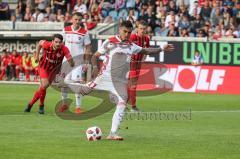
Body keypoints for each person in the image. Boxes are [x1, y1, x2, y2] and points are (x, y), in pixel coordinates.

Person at [69, 21, 174, 140]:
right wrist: (94, 67)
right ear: (119, 30)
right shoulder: (110, 41)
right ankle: (63, 84)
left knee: (123, 102)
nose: (127, 34)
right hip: (104, 78)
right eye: (125, 31)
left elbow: (145, 51)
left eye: (129, 32)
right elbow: (95, 56)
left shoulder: (131, 45)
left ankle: (113, 133)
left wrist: (161, 48)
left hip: (119, 82)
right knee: (83, 90)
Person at [24, 34, 74, 114]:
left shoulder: (64, 49)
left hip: (54, 71)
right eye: (56, 42)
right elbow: (40, 43)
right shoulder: (47, 45)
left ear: (62, 43)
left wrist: (71, 62)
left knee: (43, 87)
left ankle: (31, 104)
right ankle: (40, 105)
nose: (58, 44)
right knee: (45, 84)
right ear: (52, 42)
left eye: (60, 42)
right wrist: (37, 55)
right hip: (43, 67)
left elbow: (71, 62)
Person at [59, 12, 92, 114]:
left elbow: (88, 47)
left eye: (79, 20)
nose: (77, 22)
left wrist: (86, 62)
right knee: (64, 83)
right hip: (66, 61)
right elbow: (59, 44)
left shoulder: (84, 32)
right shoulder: (65, 30)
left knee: (76, 83)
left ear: (81, 21)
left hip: (78, 62)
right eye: (75, 19)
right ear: (72, 19)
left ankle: (78, 107)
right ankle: (64, 104)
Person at [128, 21, 150, 112]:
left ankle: (126, 103)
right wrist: (128, 57)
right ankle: (133, 106)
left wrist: (143, 58)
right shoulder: (133, 37)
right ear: (137, 29)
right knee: (132, 85)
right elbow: (125, 47)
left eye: (144, 29)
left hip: (138, 64)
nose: (142, 30)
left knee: (132, 85)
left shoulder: (146, 39)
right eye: (140, 28)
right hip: (130, 64)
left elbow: (147, 50)